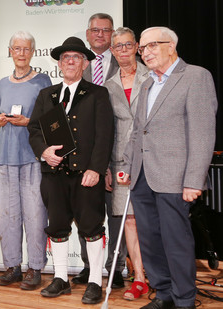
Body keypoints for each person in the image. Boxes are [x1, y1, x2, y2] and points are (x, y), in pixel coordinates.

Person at [117, 26, 217, 309]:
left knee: (176, 241)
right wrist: (127, 164)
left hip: (175, 178)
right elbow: (137, 131)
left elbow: (202, 133)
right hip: (142, 176)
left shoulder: (196, 77)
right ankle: (164, 294)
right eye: (142, 48)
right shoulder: (147, 82)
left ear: (171, 46)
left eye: (151, 46)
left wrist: (194, 180)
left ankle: (185, 299)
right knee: (149, 240)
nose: (145, 52)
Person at [28, 37, 114, 304]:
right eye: (66, 58)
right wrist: (44, 152)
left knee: (91, 227)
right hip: (54, 175)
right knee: (57, 227)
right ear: (59, 63)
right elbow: (34, 130)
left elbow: (105, 134)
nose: (70, 62)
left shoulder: (98, 94)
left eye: (76, 57)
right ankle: (61, 278)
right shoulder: (47, 95)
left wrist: (96, 169)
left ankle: (94, 282)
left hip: (86, 175)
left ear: (85, 63)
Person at [0, 31, 51, 290]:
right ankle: (13, 266)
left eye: (26, 49)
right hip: (5, 157)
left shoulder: (43, 81)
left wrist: (28, 121)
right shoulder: (2, 83)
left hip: (31, 156)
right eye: (16, 48)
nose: (21, 53)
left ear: (32, 52)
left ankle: (35, 267)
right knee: (8, 215)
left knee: (35, 213)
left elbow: (50, 121)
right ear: (10, 51)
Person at [74, 12, 125, 289]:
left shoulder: (125, 63)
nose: (100, 34)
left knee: (115, 214)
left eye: (106, 30)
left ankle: (115, 267)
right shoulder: (76, 64)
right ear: (87, 33)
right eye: (96, 30)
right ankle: (88, 266)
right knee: (86, 214)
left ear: (112, 33)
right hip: (83, 153)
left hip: (116, 150)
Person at [103, 27, 149, 301]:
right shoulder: (109, 86)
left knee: (150, 220)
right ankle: (140, 279)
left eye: (127, 45)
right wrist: (107, 166)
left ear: (136, 48)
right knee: (129, 221)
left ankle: (160, 274)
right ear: (112, 51)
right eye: (117, 46)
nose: (122, 50)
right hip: (121, 161)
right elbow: (108, 130)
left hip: (152, 158)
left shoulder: (152, 76)